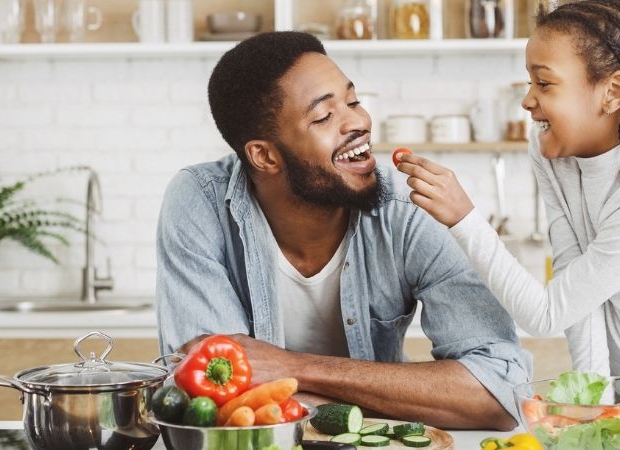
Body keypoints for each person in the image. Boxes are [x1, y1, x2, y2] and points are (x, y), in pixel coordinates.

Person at [397, 0, 620, 422]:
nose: (528, 100)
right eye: (529, 81)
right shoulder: (552, 151)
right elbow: (576, 289)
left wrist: (464, 220)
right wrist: (596, 402)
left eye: (544, 83)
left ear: (612, 92)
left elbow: (546, 313)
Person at [155, 31, 531, 430]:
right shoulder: (200, 202)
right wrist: (403, 398)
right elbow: (213, 398)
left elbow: (501, 394)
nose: (358, 122)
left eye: (353, 101)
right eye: (323, 116)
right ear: (264, 155)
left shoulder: (410, 208)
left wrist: (292, 368)